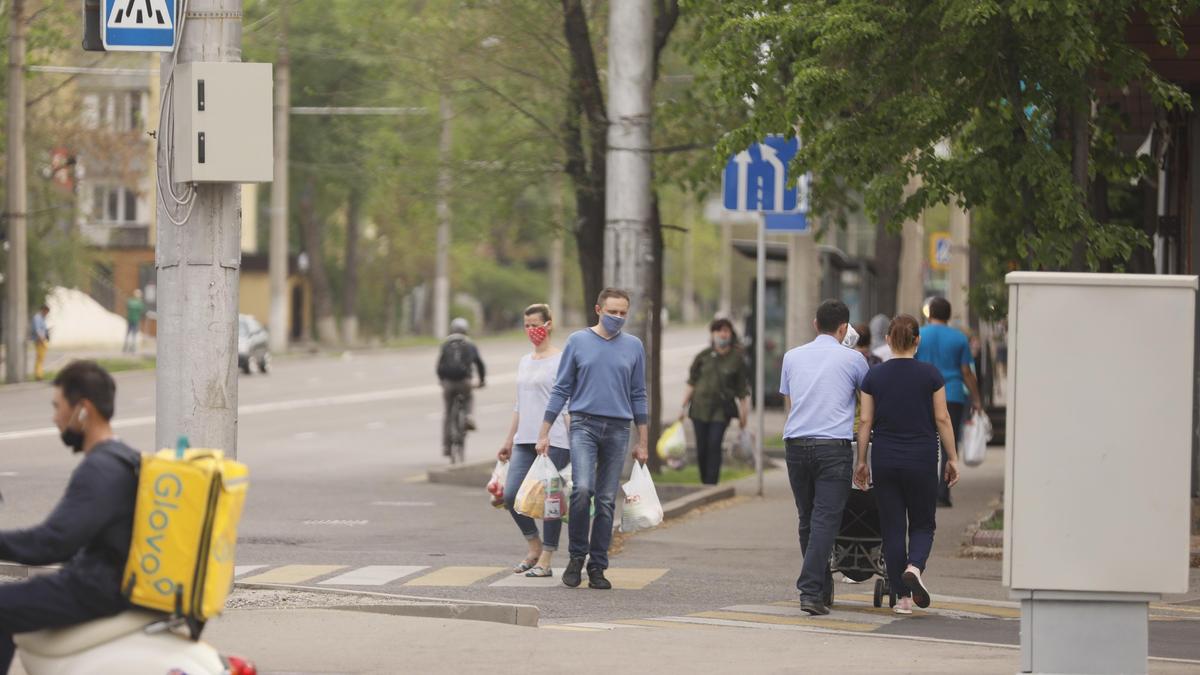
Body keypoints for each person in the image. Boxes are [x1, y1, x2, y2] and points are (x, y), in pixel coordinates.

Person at [0, 361, 140, 672]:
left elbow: (51, 544)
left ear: (83, 410)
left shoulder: (100, 468)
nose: (55, 418)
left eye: (57, 406)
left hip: (94, 588)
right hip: (105, 582)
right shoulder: (124, 457)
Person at [539, 288, 648, 590]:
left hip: (618, 429)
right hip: (584, 424)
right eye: (612, 311)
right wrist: (544, 432)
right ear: (598, 309)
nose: (618, 318)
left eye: (623, 313)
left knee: (605, 500)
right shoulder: (578, 341)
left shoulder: (634, 346)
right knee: (582, 488)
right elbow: (561, 389)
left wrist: (643, 441)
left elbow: (638, 393)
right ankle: (576, 557)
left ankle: (598, 565)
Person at [854, 314, 961, 614]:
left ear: (887, 340)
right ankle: (915, 568)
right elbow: (942, 418)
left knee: (892, 526)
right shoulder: (931, 375)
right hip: (922, 458)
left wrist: (861, 461)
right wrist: (952, 458)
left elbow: (865, 420)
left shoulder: (873, 377)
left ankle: (902, 599)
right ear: (918, 340)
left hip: (885, 458)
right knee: (923, 522)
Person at [779, 299, 869, 615]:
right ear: (844, 329)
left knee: (807, 518)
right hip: (833, 448)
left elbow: (790, 404)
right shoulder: (855, 360)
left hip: (796, 445)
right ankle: (810, 590)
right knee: (825, 521)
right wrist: (863, 457)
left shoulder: (791, 357)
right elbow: (866, 408)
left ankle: (818, 588)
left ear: (815, 324)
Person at [498, 304, 571, 578]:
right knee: (511, 495)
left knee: (550, 501)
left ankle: (547, 558)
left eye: (536, 324)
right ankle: (534, 545)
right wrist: (508, 440)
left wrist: (573, 442)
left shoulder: (562, 360)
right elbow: (520, 404)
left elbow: (567, 403)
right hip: (525, 440)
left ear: (549, 324)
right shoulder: (524, 361)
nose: (531, 330)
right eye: (527, 325)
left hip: (555, 441)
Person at [915, 297, 982, 507]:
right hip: (951, 394)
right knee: (947, 445)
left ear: (930, 313)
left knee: (923, 442)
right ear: (949, 315)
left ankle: (922, 492)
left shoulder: (919, 335)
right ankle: (942, 494)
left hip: (922, 394)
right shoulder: (959, 338)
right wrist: (976, 398)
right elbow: (966, 371)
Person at [679, 318, 750, 485]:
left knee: (714, 444)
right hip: (699, 409)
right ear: (712, 334)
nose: (722, 334)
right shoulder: (703, 356)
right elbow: (691, 382)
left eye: (726, 331)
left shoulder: (737, 359)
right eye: (719, 331)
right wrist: (682, 407)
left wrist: (743, 416)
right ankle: (704, 481)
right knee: (701, 448)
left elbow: (742, 391)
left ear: (731, 334)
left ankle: (711, 484)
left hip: (721, 411)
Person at [436, 317, 486, 458]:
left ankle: (446, 447)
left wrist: (442, 380)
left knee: (447, 413)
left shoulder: (445, 344)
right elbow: (480, 364)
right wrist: (481, 381)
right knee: (469, 397)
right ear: (466, 330)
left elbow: (439, 366)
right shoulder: (470, 344)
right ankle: (468, 417)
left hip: (448, 384)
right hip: (465, 382)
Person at [30, 305, 50, 381]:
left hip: (42, 340)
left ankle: (40, 374)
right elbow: (37, 330)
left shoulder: (41, 318)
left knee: (41, 358)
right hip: (39, 341)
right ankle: (38, 375)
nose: (46, 314)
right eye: (46, 312)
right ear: (43, 310)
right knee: (40, 358)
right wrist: (41, 340)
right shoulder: (37, 318)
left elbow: (42, 329)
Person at [124, 289, 146, 354]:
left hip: (131, 319)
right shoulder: (139, 303)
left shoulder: (130, 301)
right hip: (135, 320)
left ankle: (126, 347)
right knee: (133, 334)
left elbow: (127, 307)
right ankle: (132, 348)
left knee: (128, 334)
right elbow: (142, 310)